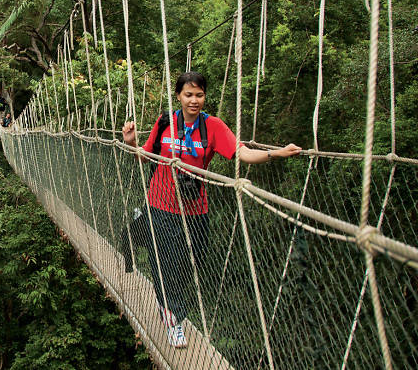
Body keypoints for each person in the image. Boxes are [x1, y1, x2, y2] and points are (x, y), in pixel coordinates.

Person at [121, 71, 301, 348]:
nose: (194, 100)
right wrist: (132, 142)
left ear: (205, 96)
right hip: (160, 204)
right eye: (188, 94)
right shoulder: (165, 122)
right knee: (166, 263)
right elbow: (144, 157)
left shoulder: (213, 127)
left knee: (188, 267)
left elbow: (242, 153)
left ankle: (169, 303)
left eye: (199, 95)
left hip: (195, 210)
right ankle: (173, 319)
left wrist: (275, 153)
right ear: (179, 96)